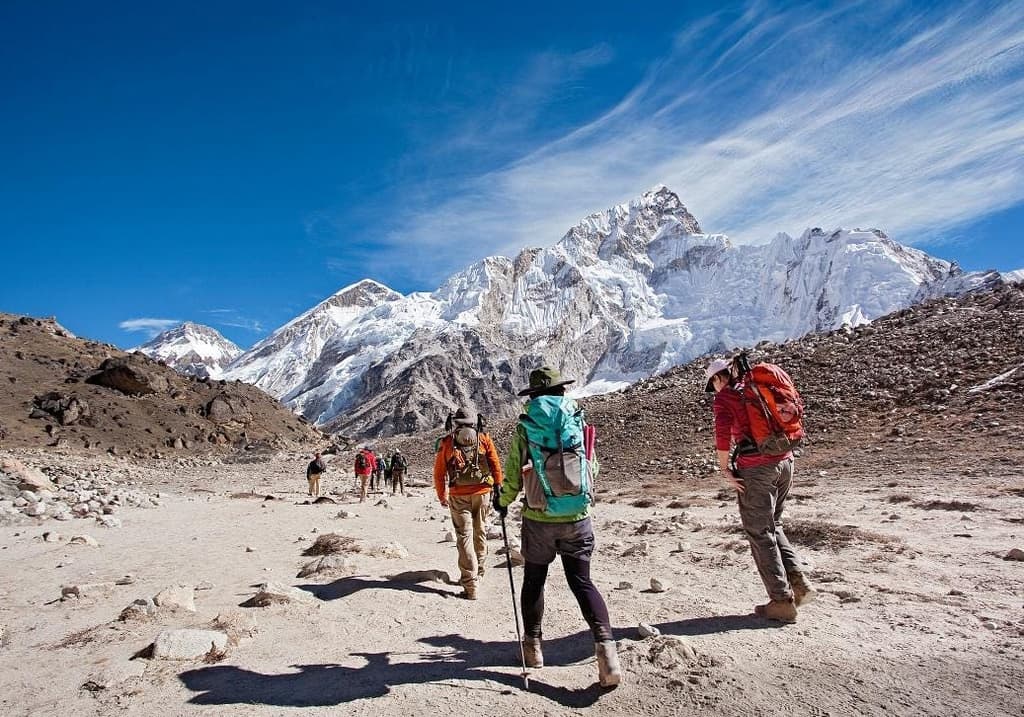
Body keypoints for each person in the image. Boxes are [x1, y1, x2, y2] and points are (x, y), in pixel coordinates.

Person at [494, 366, 621, 688]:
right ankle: (607, 654)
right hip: (577, 516)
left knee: (534, 581)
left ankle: (533, 649)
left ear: (534, 395)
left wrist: (503, 501)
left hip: (539, 519)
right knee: (582, 581)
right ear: (561, 390)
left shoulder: (527, 426)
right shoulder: (577, 420)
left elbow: (513, 474)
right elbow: (591, 466)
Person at [705, 357, 816, 623]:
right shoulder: (754, 388)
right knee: (774, 524)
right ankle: (799, 585)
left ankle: (781, 602)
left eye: (713, 384)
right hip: (785, 462)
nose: (714, 389)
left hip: (757, 468)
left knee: (759, 532)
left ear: (718, 378)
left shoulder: (725, 397)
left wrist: (725, 469)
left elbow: (722, 434)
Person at [433, 408, 503, 600]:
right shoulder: (484, 439)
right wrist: (498, 486)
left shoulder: (447, 442)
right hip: (483, 493)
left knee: (464, 536)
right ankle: (479, 572)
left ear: (455, 422)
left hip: (458, 495)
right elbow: (495, 464)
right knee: (480, 531)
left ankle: (470, 585)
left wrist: (442, 495)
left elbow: (439, 473)